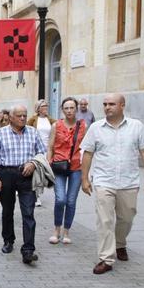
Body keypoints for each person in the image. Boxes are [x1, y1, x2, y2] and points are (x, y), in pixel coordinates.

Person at [81, 93, 144, 274]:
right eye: (105, 104)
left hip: (128, 182)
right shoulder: (95, 128)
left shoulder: (136, 127)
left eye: (112, 104)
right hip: (103, 181)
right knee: (105, 220)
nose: (107, 107)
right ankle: (106, 258)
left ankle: (120, 243)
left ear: (122, 105)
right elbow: (88, 153)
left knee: (127, 218)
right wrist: (84, 178)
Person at [0, 105, 47, 264]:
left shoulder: (32, 132)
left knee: (28, 212)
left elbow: (42, 152)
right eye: (19, 116)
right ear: (10, 118)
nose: (23, 118)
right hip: (7, 174)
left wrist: (33, 163)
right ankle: (8, 240)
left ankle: (28, 250)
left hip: (27, 174)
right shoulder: (1, 133)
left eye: (25, 115)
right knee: (7, 210)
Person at [46, 97, 87, 245]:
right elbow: (50, 147)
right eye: (66, 108)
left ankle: (66, 231)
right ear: (62, 110)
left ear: (76, 109)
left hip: (77, 167)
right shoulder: (56, 126)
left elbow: (87, 149)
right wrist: (48, 166)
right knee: (60, 199)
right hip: (59, 166)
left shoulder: (83, 126)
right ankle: (56, 229)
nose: (69, 110)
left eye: (72, 108)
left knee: (70, 201)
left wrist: (87, 172)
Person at [27, 100, 56, 207]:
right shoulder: (33, 120)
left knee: (43, 173)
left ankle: (38, 192)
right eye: (44, 106)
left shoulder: (51, 120)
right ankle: (37, 196)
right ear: (38, 108)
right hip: (35, 149)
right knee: (37, 173)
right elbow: (26, 130)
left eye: (47, 106)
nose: (46, 108)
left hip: (47, 150)